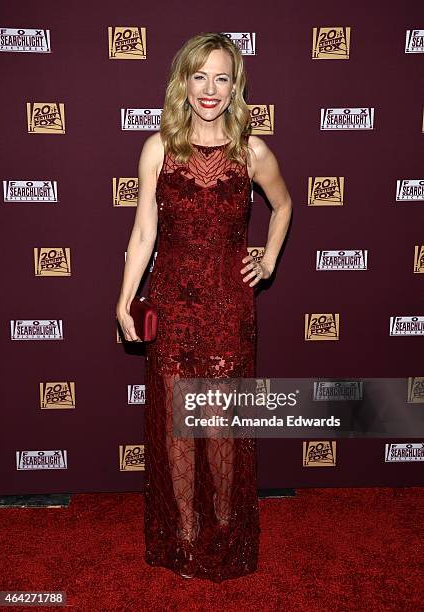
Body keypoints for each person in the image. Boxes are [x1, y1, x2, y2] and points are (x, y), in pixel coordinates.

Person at [116, 32, 292, 582]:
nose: (209, 89)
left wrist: (266, 261)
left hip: (227, 307)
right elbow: (144, 230)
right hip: (171, 303)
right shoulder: (158, 147)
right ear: (183, 82)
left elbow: (284, 204)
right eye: (199, 76)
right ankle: (186, 531)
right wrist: (124, 299)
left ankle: (222, 524)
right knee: (176, 426)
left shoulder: (251, 150)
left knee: (218, 423)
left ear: (235, 85)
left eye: (221, 77)